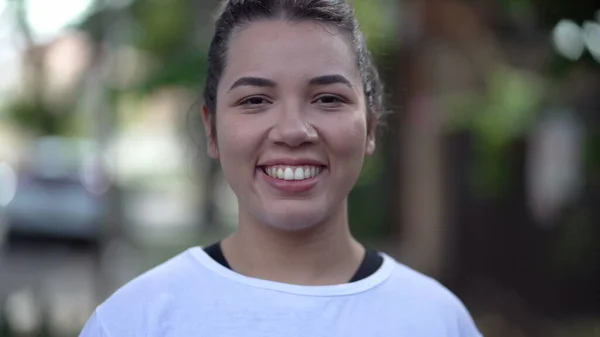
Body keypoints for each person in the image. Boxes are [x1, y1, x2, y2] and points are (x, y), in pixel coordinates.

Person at [80, 0, 483, 336]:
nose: (293, 131)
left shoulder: (438, 321)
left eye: (327, 98)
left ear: (371, 127)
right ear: (212, 129)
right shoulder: (133, 322)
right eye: (255, 100)